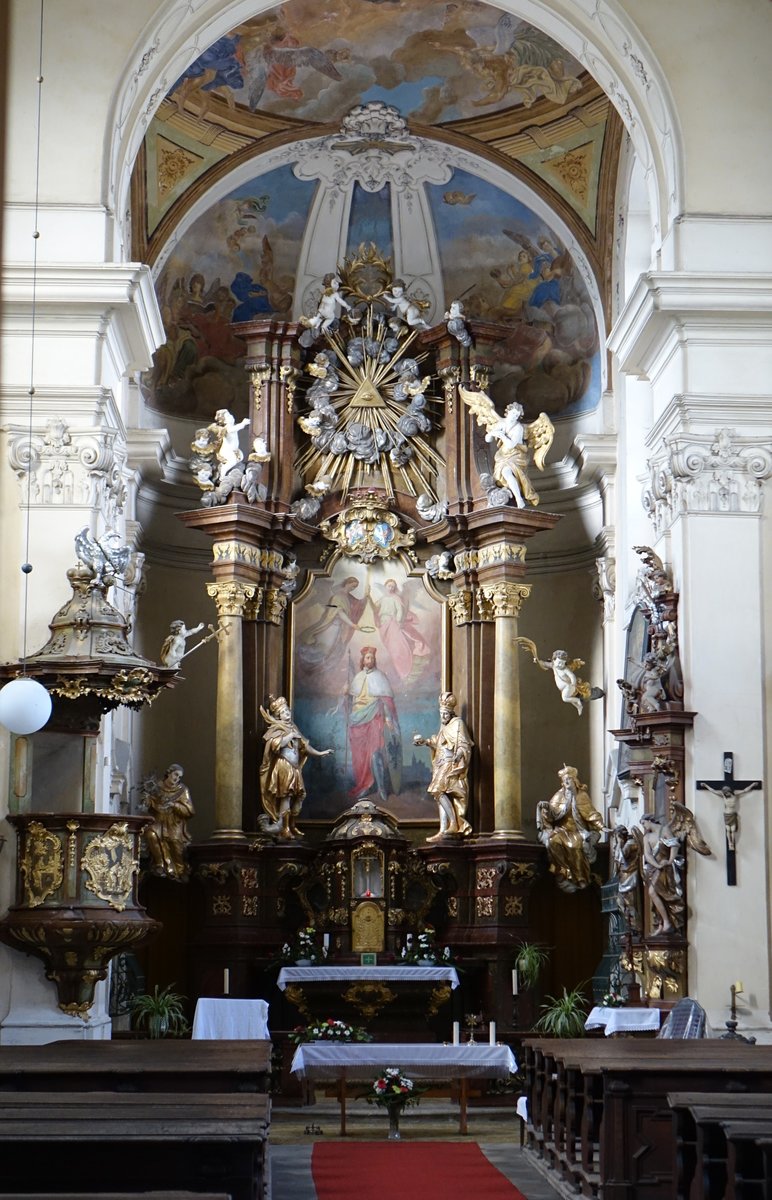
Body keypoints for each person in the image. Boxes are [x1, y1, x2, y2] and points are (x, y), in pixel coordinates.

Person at [259, 695, 332, 839]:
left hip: (294, 767)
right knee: (286, 796)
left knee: (300, 795)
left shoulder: (293, 727)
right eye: (284, 712)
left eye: (288, 711)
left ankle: (291, 825)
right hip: (283, 766)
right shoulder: (276, 728)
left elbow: (304, 746)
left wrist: (320, 753)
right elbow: (274, 745)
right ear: (278, 715)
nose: (287, 714)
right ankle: (284, 828)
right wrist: (289, 736)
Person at [413, 692, 473, 842]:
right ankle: (443, 829)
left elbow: (464, 743)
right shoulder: (444, 727)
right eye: (441, 714)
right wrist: (425, 742)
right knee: (439, 795)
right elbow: (439, 743)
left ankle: (454, 823)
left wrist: (459, 754)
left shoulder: (457, 724)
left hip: (449, 764)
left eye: (446, 714)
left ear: (451, 713)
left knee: (436, 790)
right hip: (440, 764)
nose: (443, 717)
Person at [536, 765, 604, 892]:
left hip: (578, 830)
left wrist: (601, 826)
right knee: (552, 841)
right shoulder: (558, 796)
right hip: (561, 830)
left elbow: (591, 814)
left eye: (569, 779)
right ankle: (563, 871)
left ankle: (580, 878)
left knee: (576, 846)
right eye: (565, 780)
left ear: (575, 780)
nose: (567, 782)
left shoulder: (581, 796)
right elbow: (552, 814)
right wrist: (546, 808)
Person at [346, 646, 401, 804]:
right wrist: (346, 694)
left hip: (375, 719)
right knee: (361, 756)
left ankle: (381, 787)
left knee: (375, 753)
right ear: (362, 660)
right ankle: (365, 785)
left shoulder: (380, 677)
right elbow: (351, 701)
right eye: (366, 658)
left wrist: (388, 719)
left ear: (374, 660)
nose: (369, 660)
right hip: (358, 720)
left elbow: (387, 701)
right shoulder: (357, 677)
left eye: (371, 658)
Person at [370, 577, 431, 682]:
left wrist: (398, 622)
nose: (391, 588)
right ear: (385, 587)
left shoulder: (396, 598)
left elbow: (400, 611)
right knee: (392, 649)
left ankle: (405, 670)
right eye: (389, 586)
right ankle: (401, 671)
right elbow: (375, 609)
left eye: (393, 586)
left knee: (397, 648)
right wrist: (369, 598)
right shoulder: (382, 599)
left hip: (393, 624)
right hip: (384, 626)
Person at [141, 764, 195, 881]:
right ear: (169, 773)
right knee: (151, 834)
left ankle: (179, 872)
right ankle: (160, 865)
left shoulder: (182, 790)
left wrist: (174, 805)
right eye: (176, 775)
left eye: (180, 777)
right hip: (158, 822)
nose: (177, 779)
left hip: (174, 825)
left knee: (176, 849)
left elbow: (190, 811)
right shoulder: (156, 788)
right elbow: (149, 806)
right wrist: (147, 800)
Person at [485, 400, 539, 508]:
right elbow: (487, 439)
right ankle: (511, 492)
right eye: (513, 413)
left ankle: (519, 499)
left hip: (516, 455)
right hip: (502, 455)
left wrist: (502, 436)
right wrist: (492, 433)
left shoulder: (518, 428)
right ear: (508, 411)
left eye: (517, 415)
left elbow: (511, 445)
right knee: (500, 478)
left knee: (506, 471)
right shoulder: (501, 423)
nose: (514, 416)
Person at [638, 812, 684, 934]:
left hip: (666, 868)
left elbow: (674, 845)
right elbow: (647, 854)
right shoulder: (646, 837)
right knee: (655, 894)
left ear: (649, 820)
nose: (644, 827)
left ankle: (667, 922)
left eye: (644, 823)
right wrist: (656, 865)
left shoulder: (664, 830)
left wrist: (669, 860)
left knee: (655, 892)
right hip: (655, 868)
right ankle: (662, 923)